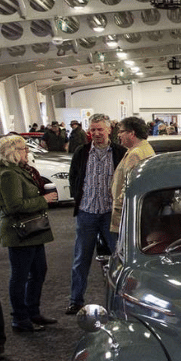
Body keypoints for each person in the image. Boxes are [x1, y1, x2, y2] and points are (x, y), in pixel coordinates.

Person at [65, 114, 127, 314]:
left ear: (109, 130)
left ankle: (124, 299)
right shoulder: (81, 152)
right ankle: (75, 300)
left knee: (120, 257)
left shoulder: (120, 153)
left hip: (111, 213)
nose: (97, 133)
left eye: (100, 129)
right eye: (93, 130)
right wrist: (79, 197)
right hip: (87, 212)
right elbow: (73, 176)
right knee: (81, 259)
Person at [0, 134, 59, 333]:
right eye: (24, 149)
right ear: (14, 152)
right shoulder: (9, 174)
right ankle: (20, 318)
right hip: (20, 233)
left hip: (32, 231)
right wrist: (45, 200)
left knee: (38, 272)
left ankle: (32, 312)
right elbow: (14, 205)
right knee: (20, 277)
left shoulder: (19, 171)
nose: (27, 152)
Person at [109, 116, 156, 237]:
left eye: (121, 131)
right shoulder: (145, 148)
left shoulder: (135, 153)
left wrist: (119, 205)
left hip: (128, 212)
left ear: (131, 133)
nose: (119, 135)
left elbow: (130, 185)